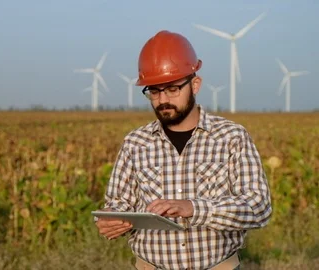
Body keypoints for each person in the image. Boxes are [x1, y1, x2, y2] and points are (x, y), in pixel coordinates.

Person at [95, 30, 272, 270]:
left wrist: (193, 208)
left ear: (195, 84)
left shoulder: (232, 137)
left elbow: (258, 207)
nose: (163, 99)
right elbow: (118, 202)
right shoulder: (135, 143)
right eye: (154, 91)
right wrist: (113, 219)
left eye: (172, 88)